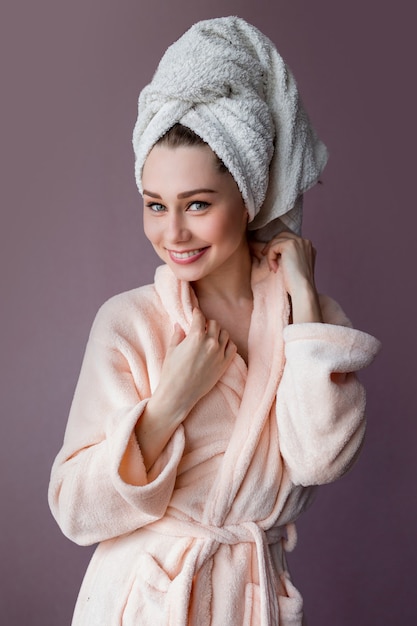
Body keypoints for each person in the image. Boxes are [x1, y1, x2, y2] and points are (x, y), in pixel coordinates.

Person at [48, 16, 380, 626]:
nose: (172, 234)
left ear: (247, 196)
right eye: (155, 206)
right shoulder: (129, 323)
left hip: (250, 598)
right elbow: (75, 509)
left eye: (197, 205)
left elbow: (320, 460)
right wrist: (168, 403)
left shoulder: (309, 324)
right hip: (145, 602)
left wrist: (302, 299)